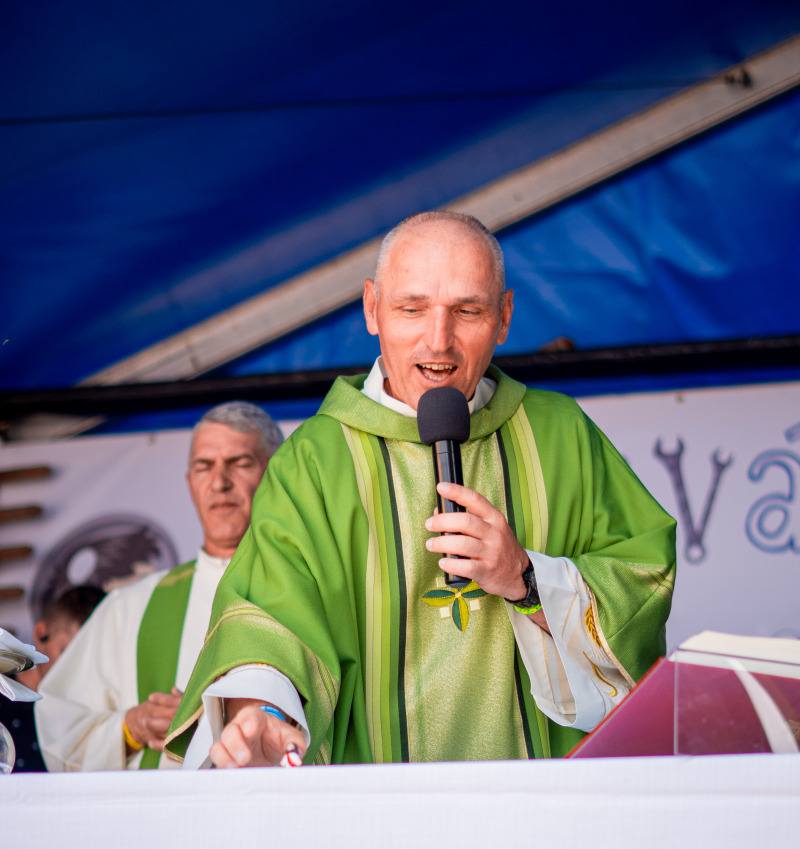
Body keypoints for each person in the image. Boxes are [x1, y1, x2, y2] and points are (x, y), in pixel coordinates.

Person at [166, 212, 676, 770]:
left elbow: (642, 579)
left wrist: (527, 579)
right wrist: (262, 710)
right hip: (376, 803)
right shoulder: (316, 459)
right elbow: (266, 616)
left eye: (468, 311)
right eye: (412, 309)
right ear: (371, 308)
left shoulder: (560, 435)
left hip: (538, 798)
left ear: (504, 317)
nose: (439, 341)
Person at [36, 402, 283, 770]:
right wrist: (132, 727)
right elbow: (59, 727)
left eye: (240, 463)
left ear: (276, 474)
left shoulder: (306, 592)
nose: (219, 482)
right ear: (190, 483)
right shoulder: (130, 606)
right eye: (204, 467)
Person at [0, 585, 104, 772]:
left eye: (89, 660)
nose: (76, 669)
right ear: (41, 634)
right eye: (67, 653)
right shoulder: (4, 700)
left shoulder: (97, 715)